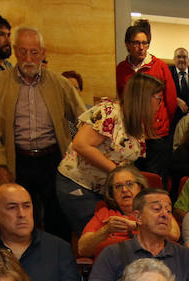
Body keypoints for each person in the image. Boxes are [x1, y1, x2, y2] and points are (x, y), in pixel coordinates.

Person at [0, 26, 86, 240]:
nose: (28, 58)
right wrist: (1, 170)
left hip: (53, 160)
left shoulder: (60, 83)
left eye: (34, 52)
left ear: (43, 52)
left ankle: (58, 266)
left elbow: (84, 119)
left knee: (57, 220)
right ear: (14, 50)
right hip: (18, 161)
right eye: (22, 51)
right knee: (18, 220)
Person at [56, 72, 163, 235]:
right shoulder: (110, 112)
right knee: (95, 236)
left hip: (105, 189)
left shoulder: (135, 123)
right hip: (79, 185)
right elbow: (81, 145)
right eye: (158, 99)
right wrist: (116, 172)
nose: (160, 105)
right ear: (144, 97)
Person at [80, 188, 189, 281]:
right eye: (157, 209)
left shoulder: (186, 255)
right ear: (138, 217)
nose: (164, 214)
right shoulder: (113, 253)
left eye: (169, 211)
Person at [115, 20, 177, 184]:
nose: (141, 47)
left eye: (145, 43)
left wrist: (161, 124)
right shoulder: (121, 69)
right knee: (134, 177)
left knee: (155, 178)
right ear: (128, 45)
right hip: (133, 133)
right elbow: (122, 100)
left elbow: (170, 101)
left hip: (157, 134)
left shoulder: (160, 66)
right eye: (136, 43)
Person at [78, 165, 180, 258]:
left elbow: (174, 234)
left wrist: (136, 226)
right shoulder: (104, 213)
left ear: (139, 187)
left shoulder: (156, 208)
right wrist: (106, 230)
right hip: (115, 267)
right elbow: (82, 249)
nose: (124, 190)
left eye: (129, 184)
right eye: (118, 186)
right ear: (112, 192)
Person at [169, 47, 189, 115]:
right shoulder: (168, 73)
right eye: (179, 57)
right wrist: (175, 99)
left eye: (184, 57)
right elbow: (162, 92)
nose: (181, 59)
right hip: (172, 116)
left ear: (188, 60)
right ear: (174, 59)